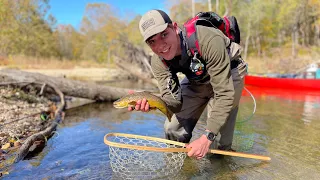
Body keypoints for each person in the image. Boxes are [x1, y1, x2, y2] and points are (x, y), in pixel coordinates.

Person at [129, 9, 247, 159]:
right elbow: (174, 103)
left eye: (164, 34)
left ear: (175, 27)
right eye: (152, 41)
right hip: (198, 77)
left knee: (217, 144)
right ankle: (182, 168)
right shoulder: (158, 62)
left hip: (229, 72)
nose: (161, 46)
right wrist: (152, 103)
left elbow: (224, 93)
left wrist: (206, 137)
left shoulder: (206, 38)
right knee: (172, 128)